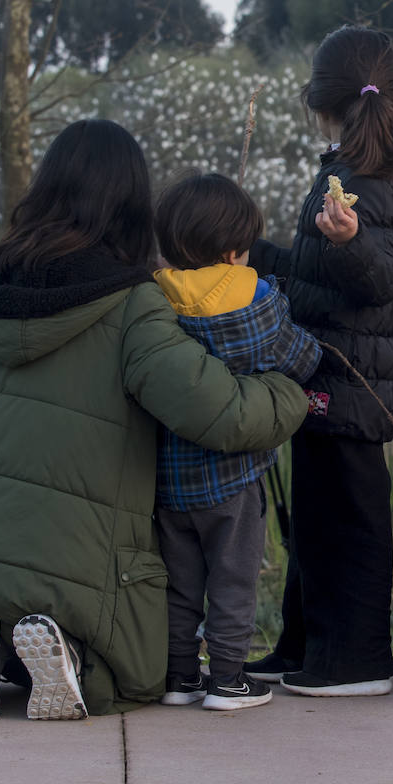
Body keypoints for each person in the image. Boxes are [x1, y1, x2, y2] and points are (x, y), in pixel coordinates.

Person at [0, 120, 309, 719]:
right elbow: (222, 414)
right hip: (78, 569)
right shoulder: (133, 303)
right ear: (133, 206)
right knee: (131, 672)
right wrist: (288, 389)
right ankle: (67, 655)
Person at [246, 25, 393, 696]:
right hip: (331, 372)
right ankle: (304, 648)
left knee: (347, 524)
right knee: (318, 522)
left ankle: (355, 661)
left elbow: (379, 278)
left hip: (352, 382)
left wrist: (351, 242)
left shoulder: (367, 178)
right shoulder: (348, 166)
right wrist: (259, 257)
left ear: (322, 99)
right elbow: (320, 274)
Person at [150, 171, 321, 712]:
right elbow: (303, 359)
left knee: (180, 584)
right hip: (235, 478)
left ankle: (179, 677)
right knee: (233, 580)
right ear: (233, 252)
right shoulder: (260, 302)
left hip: (168, 480)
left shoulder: (155, 302)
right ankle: (227, 678)